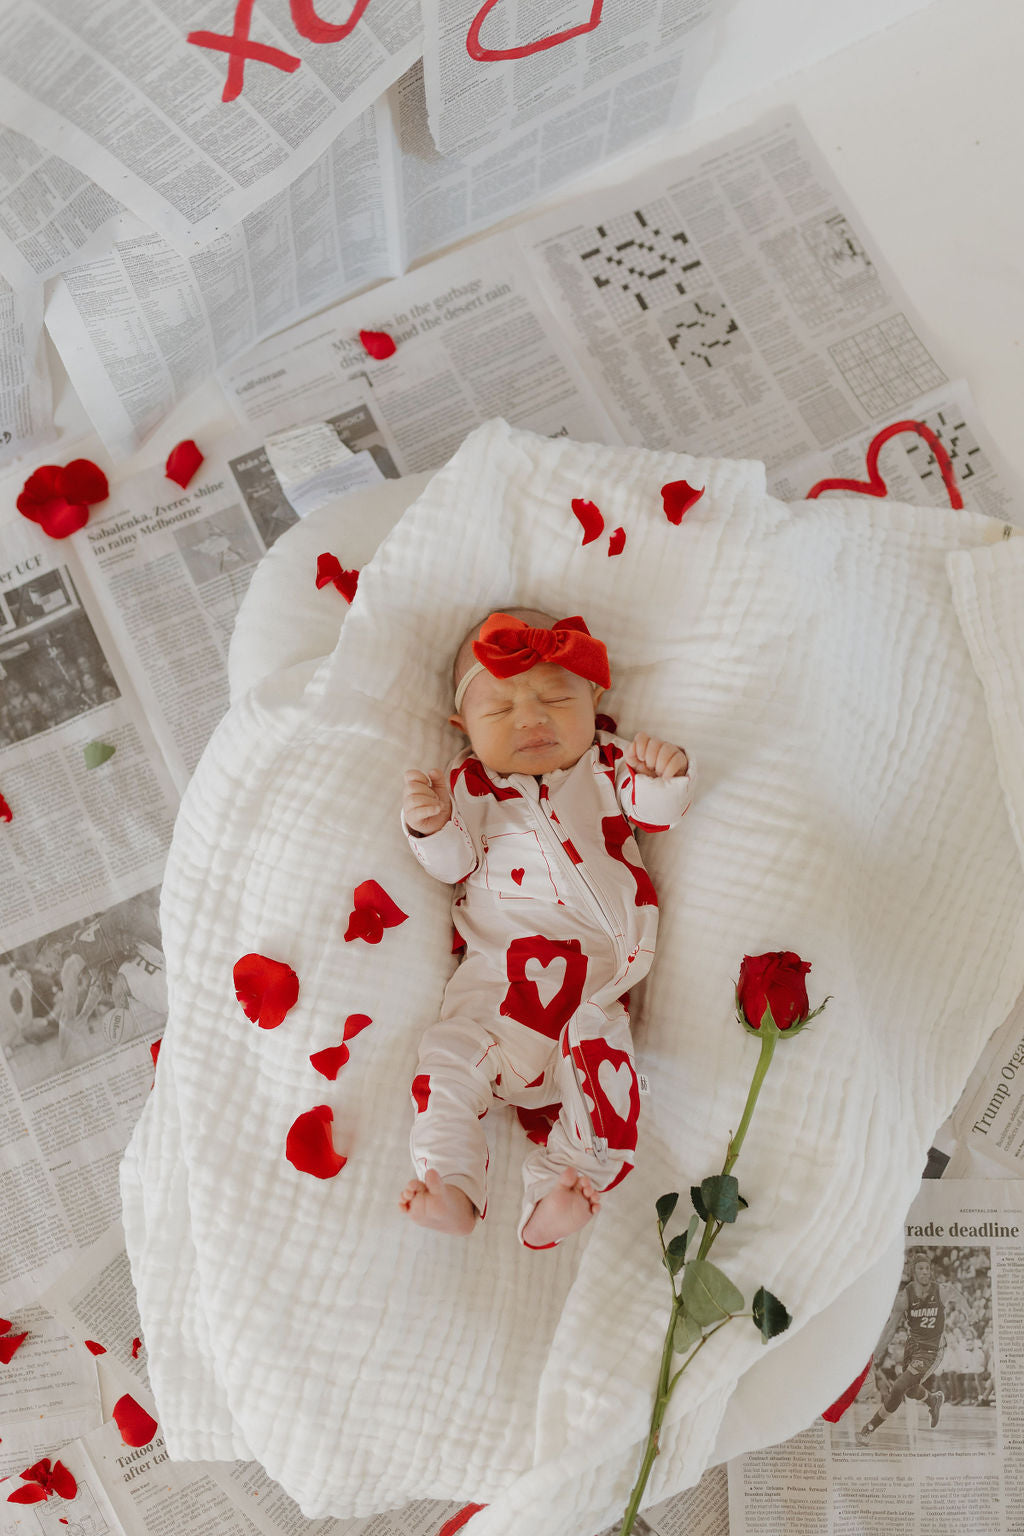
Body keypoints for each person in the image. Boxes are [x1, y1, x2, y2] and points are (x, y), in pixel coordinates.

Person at [398, 608, 694, 1248]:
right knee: (446, 1059)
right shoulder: (468, 785)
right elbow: (453, 863)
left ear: (594, 697)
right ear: (463, 729)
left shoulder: (604, 765)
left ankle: (556, 1196)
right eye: (500, 712)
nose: (531, 719)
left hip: (592, 1001)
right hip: (497, 999)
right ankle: (450, 1182)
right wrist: (430, 825)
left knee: (611, 1091)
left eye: (556, 698)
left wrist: (664, 775)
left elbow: (653, 811)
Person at [856, 1250, 974, 1443]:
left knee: (899, 1387)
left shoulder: (940, 1291)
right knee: (911, 1391)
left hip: (932, 1350)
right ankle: (932, 1400)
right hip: (913, 1346)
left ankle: (869, 1428)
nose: (926, 1272)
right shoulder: (905, 1297)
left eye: (928, 1268)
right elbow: (890, 1329)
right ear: (914, 1272)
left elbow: (957, 1295)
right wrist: (874, 1356)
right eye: (921, 1269)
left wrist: (969, 1312)